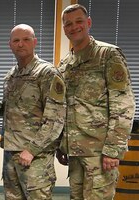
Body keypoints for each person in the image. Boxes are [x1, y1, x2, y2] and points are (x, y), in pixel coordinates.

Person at [56, 4, 136, 200]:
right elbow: (63, 107)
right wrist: (61, 144)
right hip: (74, 152)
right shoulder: (66, 63)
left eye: (79, 22)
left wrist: (112, 149)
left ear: (88, 23)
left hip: (100, 152)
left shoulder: (108, 54)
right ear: (64, 29)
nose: (74, 27)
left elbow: (123, 104)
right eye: (68, 24)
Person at [0, 24, 66, 199]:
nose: (21, 44)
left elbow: (55, 119)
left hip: (35, 158)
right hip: (10, 155)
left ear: (34, 42)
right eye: (16, 40)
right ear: (10, 45)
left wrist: (31, 150)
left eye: (26, 39)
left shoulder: (47, 73)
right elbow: (6, 110)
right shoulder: (11, 76)